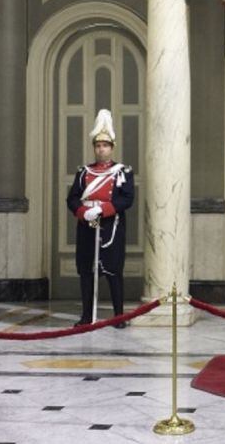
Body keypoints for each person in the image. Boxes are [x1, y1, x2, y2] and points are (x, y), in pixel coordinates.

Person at [66, 109, 135, 328]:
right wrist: (82, 211)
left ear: (112, 147)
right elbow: (72, 198)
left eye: (105, 145)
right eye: (97, 145)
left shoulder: (122, 171)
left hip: (110, 226)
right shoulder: (83, 172)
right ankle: (87, 316)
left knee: (114, 271)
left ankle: (118, 316)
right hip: (87, 225)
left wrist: (103, 210)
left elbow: (127, 199)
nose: (101, 149)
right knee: (87, 272)